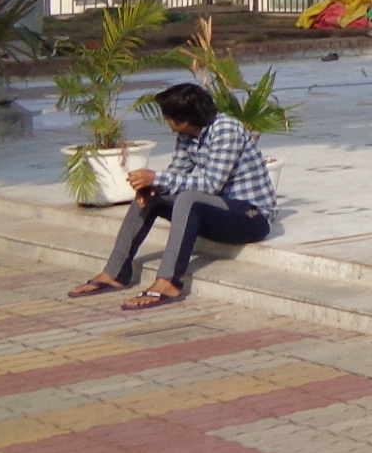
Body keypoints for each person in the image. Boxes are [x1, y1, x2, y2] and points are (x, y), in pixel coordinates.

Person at [66, 84, 276, 310]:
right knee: (151, 196)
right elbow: (177, 171)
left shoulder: (226, 130)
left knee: (188, 198)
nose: (166, 120)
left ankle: (169, 282)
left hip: (250, 217)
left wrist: (156, 178)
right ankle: (115, 273)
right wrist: (152, 187)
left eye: (167, 116)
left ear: (185, 119)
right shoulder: (187, 134)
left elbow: (211, 185)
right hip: (216, 213)